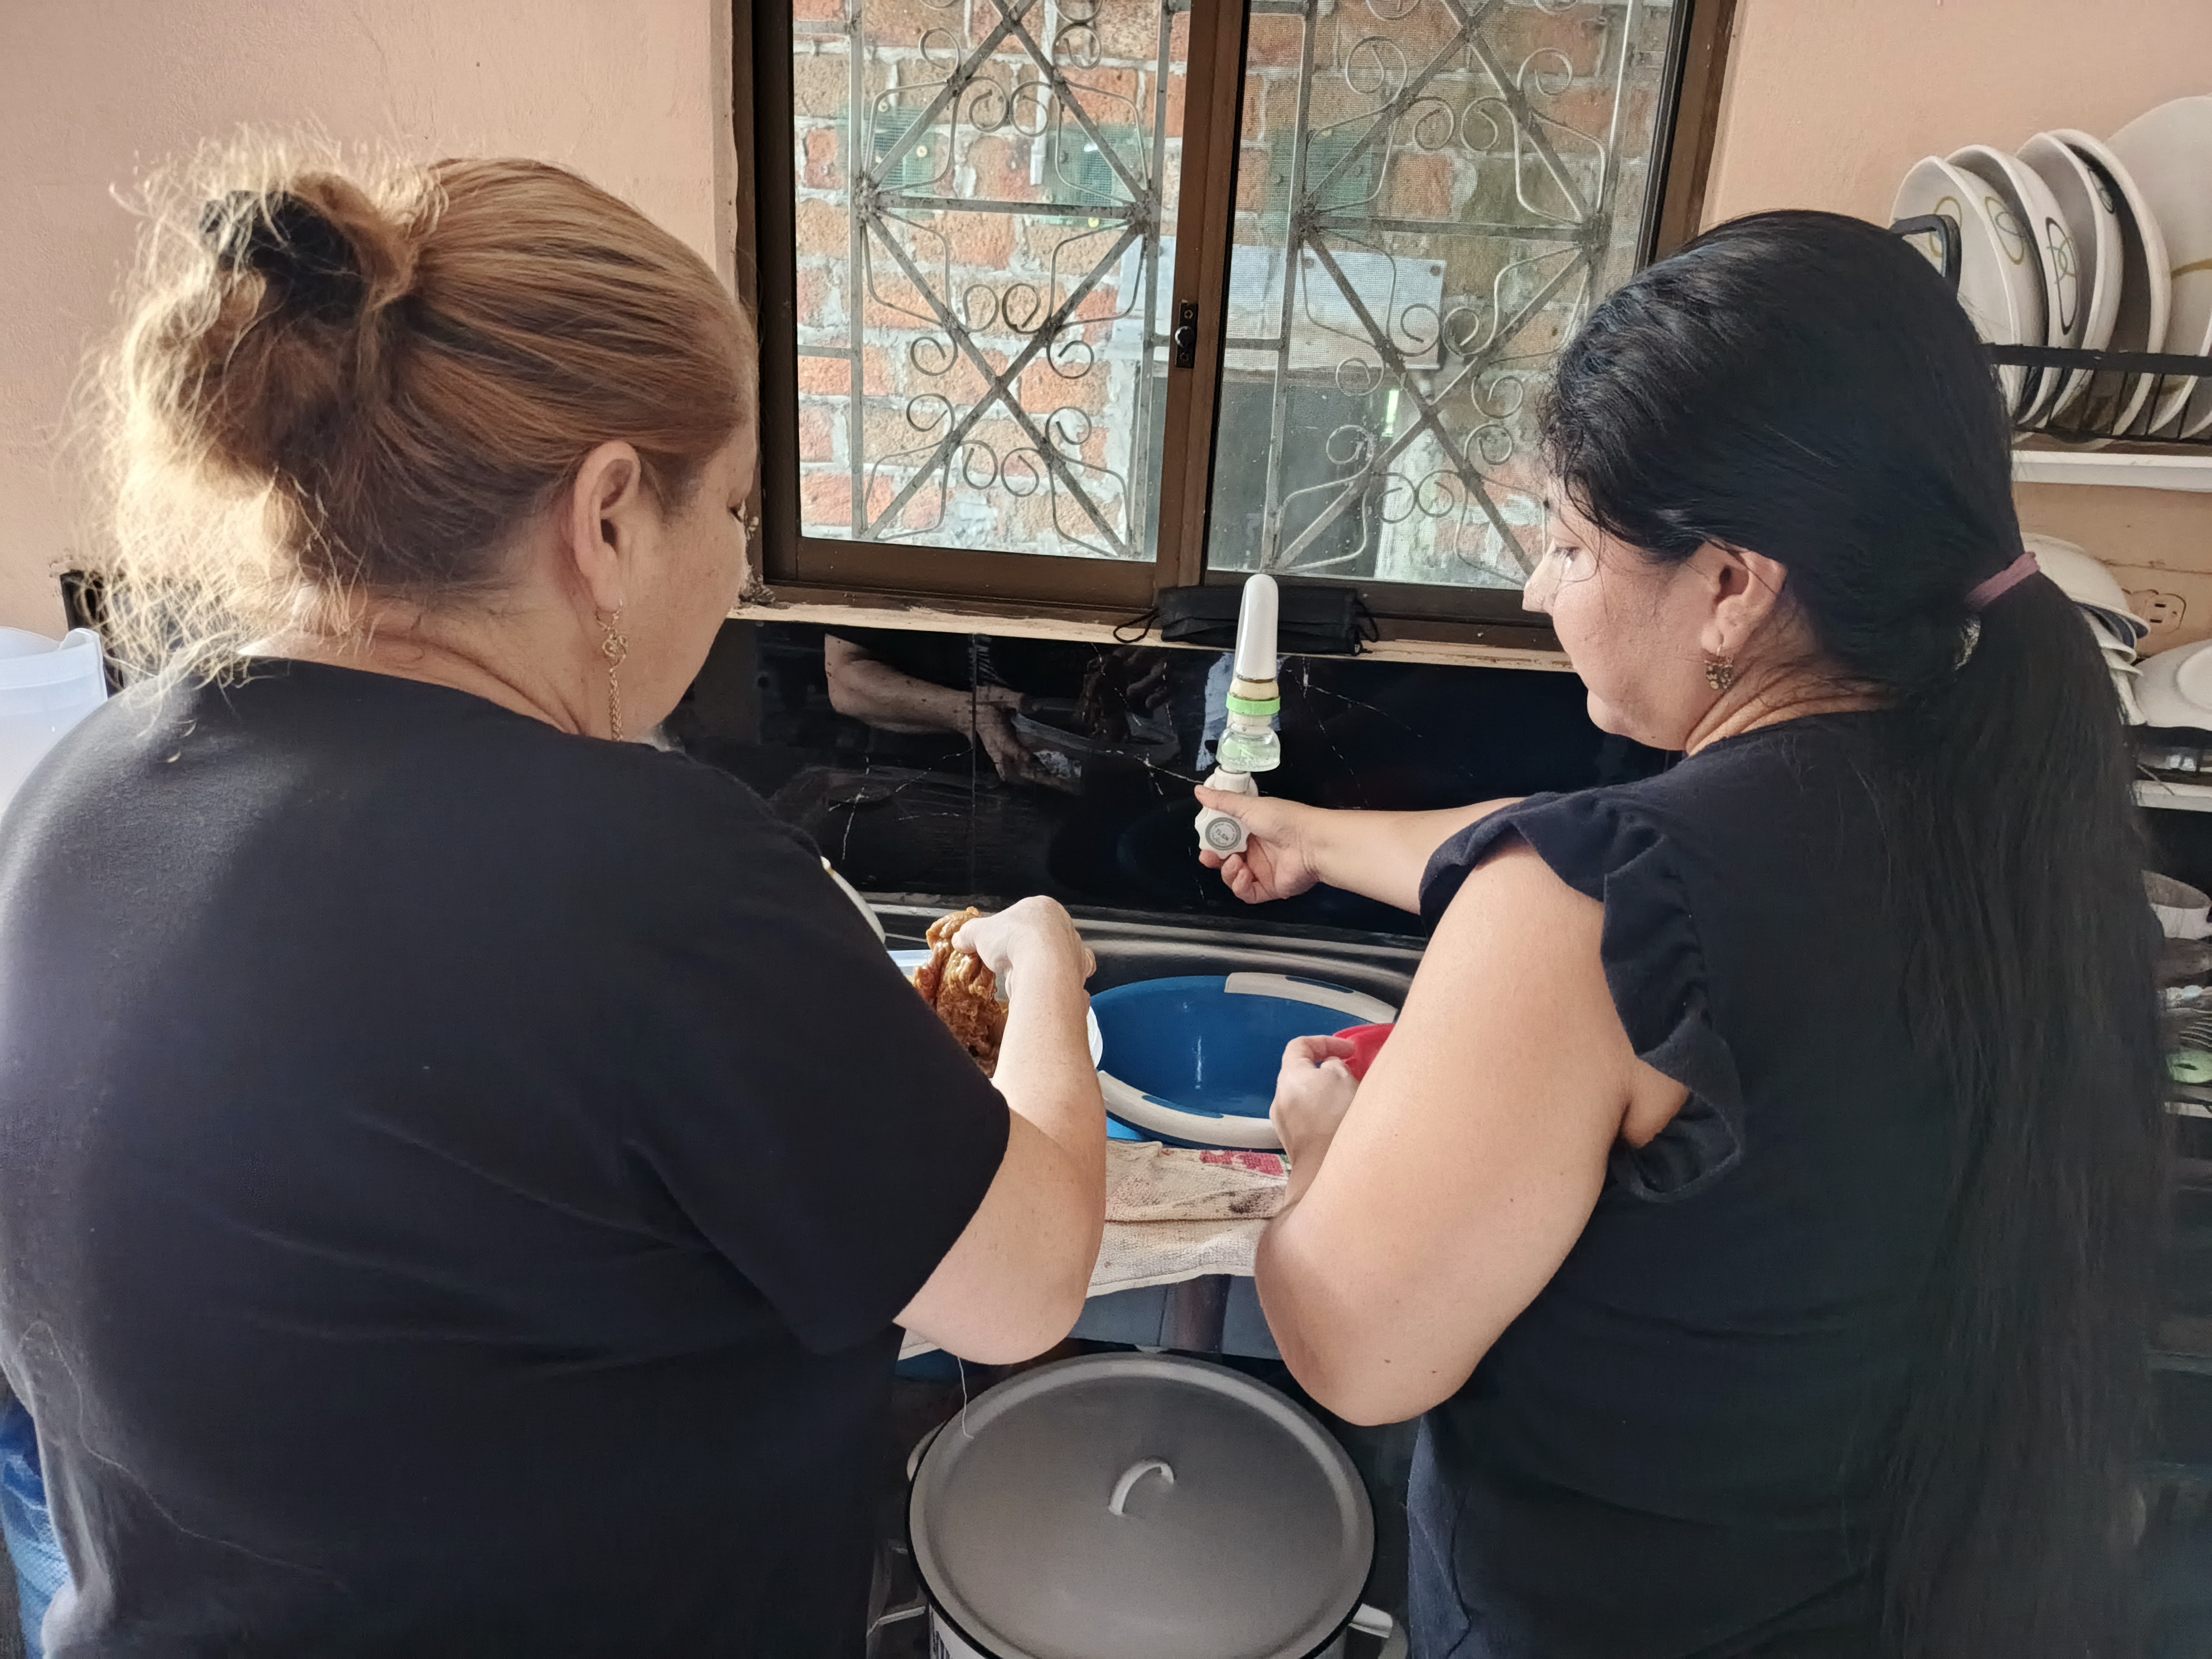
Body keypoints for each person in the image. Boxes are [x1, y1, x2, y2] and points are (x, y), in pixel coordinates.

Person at [0, 152, 1105, 1657]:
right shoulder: (649, 874)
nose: (737, 569)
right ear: (608, 516)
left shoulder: (86, 784)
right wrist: (1045, 973)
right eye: (733, 510)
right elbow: (1024, 1285)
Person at [1199, 212, 2162, 1658]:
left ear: (1729, 586)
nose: (1538, 590)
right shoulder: (2017, 835)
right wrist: (1317, 836)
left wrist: (1321, 1158)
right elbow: (1584, 851)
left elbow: (1356, 1352)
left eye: (1569, 545)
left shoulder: (1582, 904)